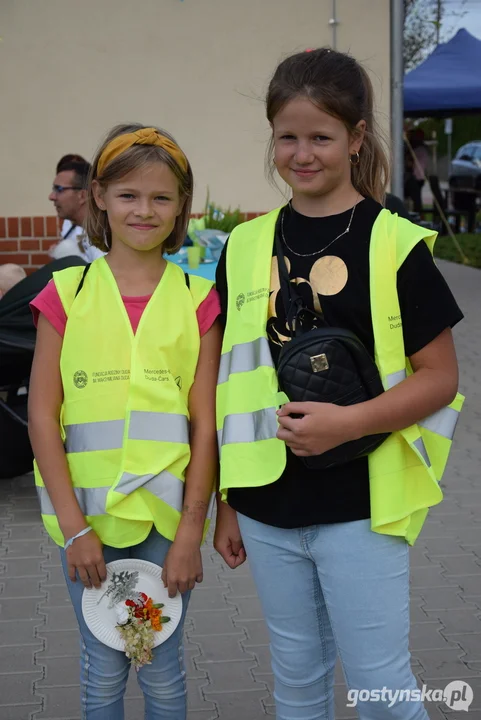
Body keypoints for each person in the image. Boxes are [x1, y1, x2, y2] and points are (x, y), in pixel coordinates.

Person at [214, 48, 464, 720]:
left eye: (320, 137)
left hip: (362, 506)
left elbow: (440, 378)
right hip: (267, 507)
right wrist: (227, 500)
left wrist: (348, 423)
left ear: (354, 139)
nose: (302, 153)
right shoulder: (242, 245)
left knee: (381, 688)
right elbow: (228, 381)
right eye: (286, 136)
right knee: (296, 685)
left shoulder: (394, 244)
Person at [29, 123, 222, 719]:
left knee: (163, 672)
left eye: (161, 197)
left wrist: (193, 531)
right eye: (128, 195)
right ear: (100, 199)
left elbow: (205, 425)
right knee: (102, 671)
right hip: (85, 521)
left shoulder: (199, 299)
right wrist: (75, 529)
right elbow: (41, 413)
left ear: (181, 208)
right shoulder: (65, 293)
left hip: (167, 525)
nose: (144, 209)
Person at [49, 157, 105, 262]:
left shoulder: (106, 237)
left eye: (59, 189)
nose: (51, 196)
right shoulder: (89, 232)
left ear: (82, 195)